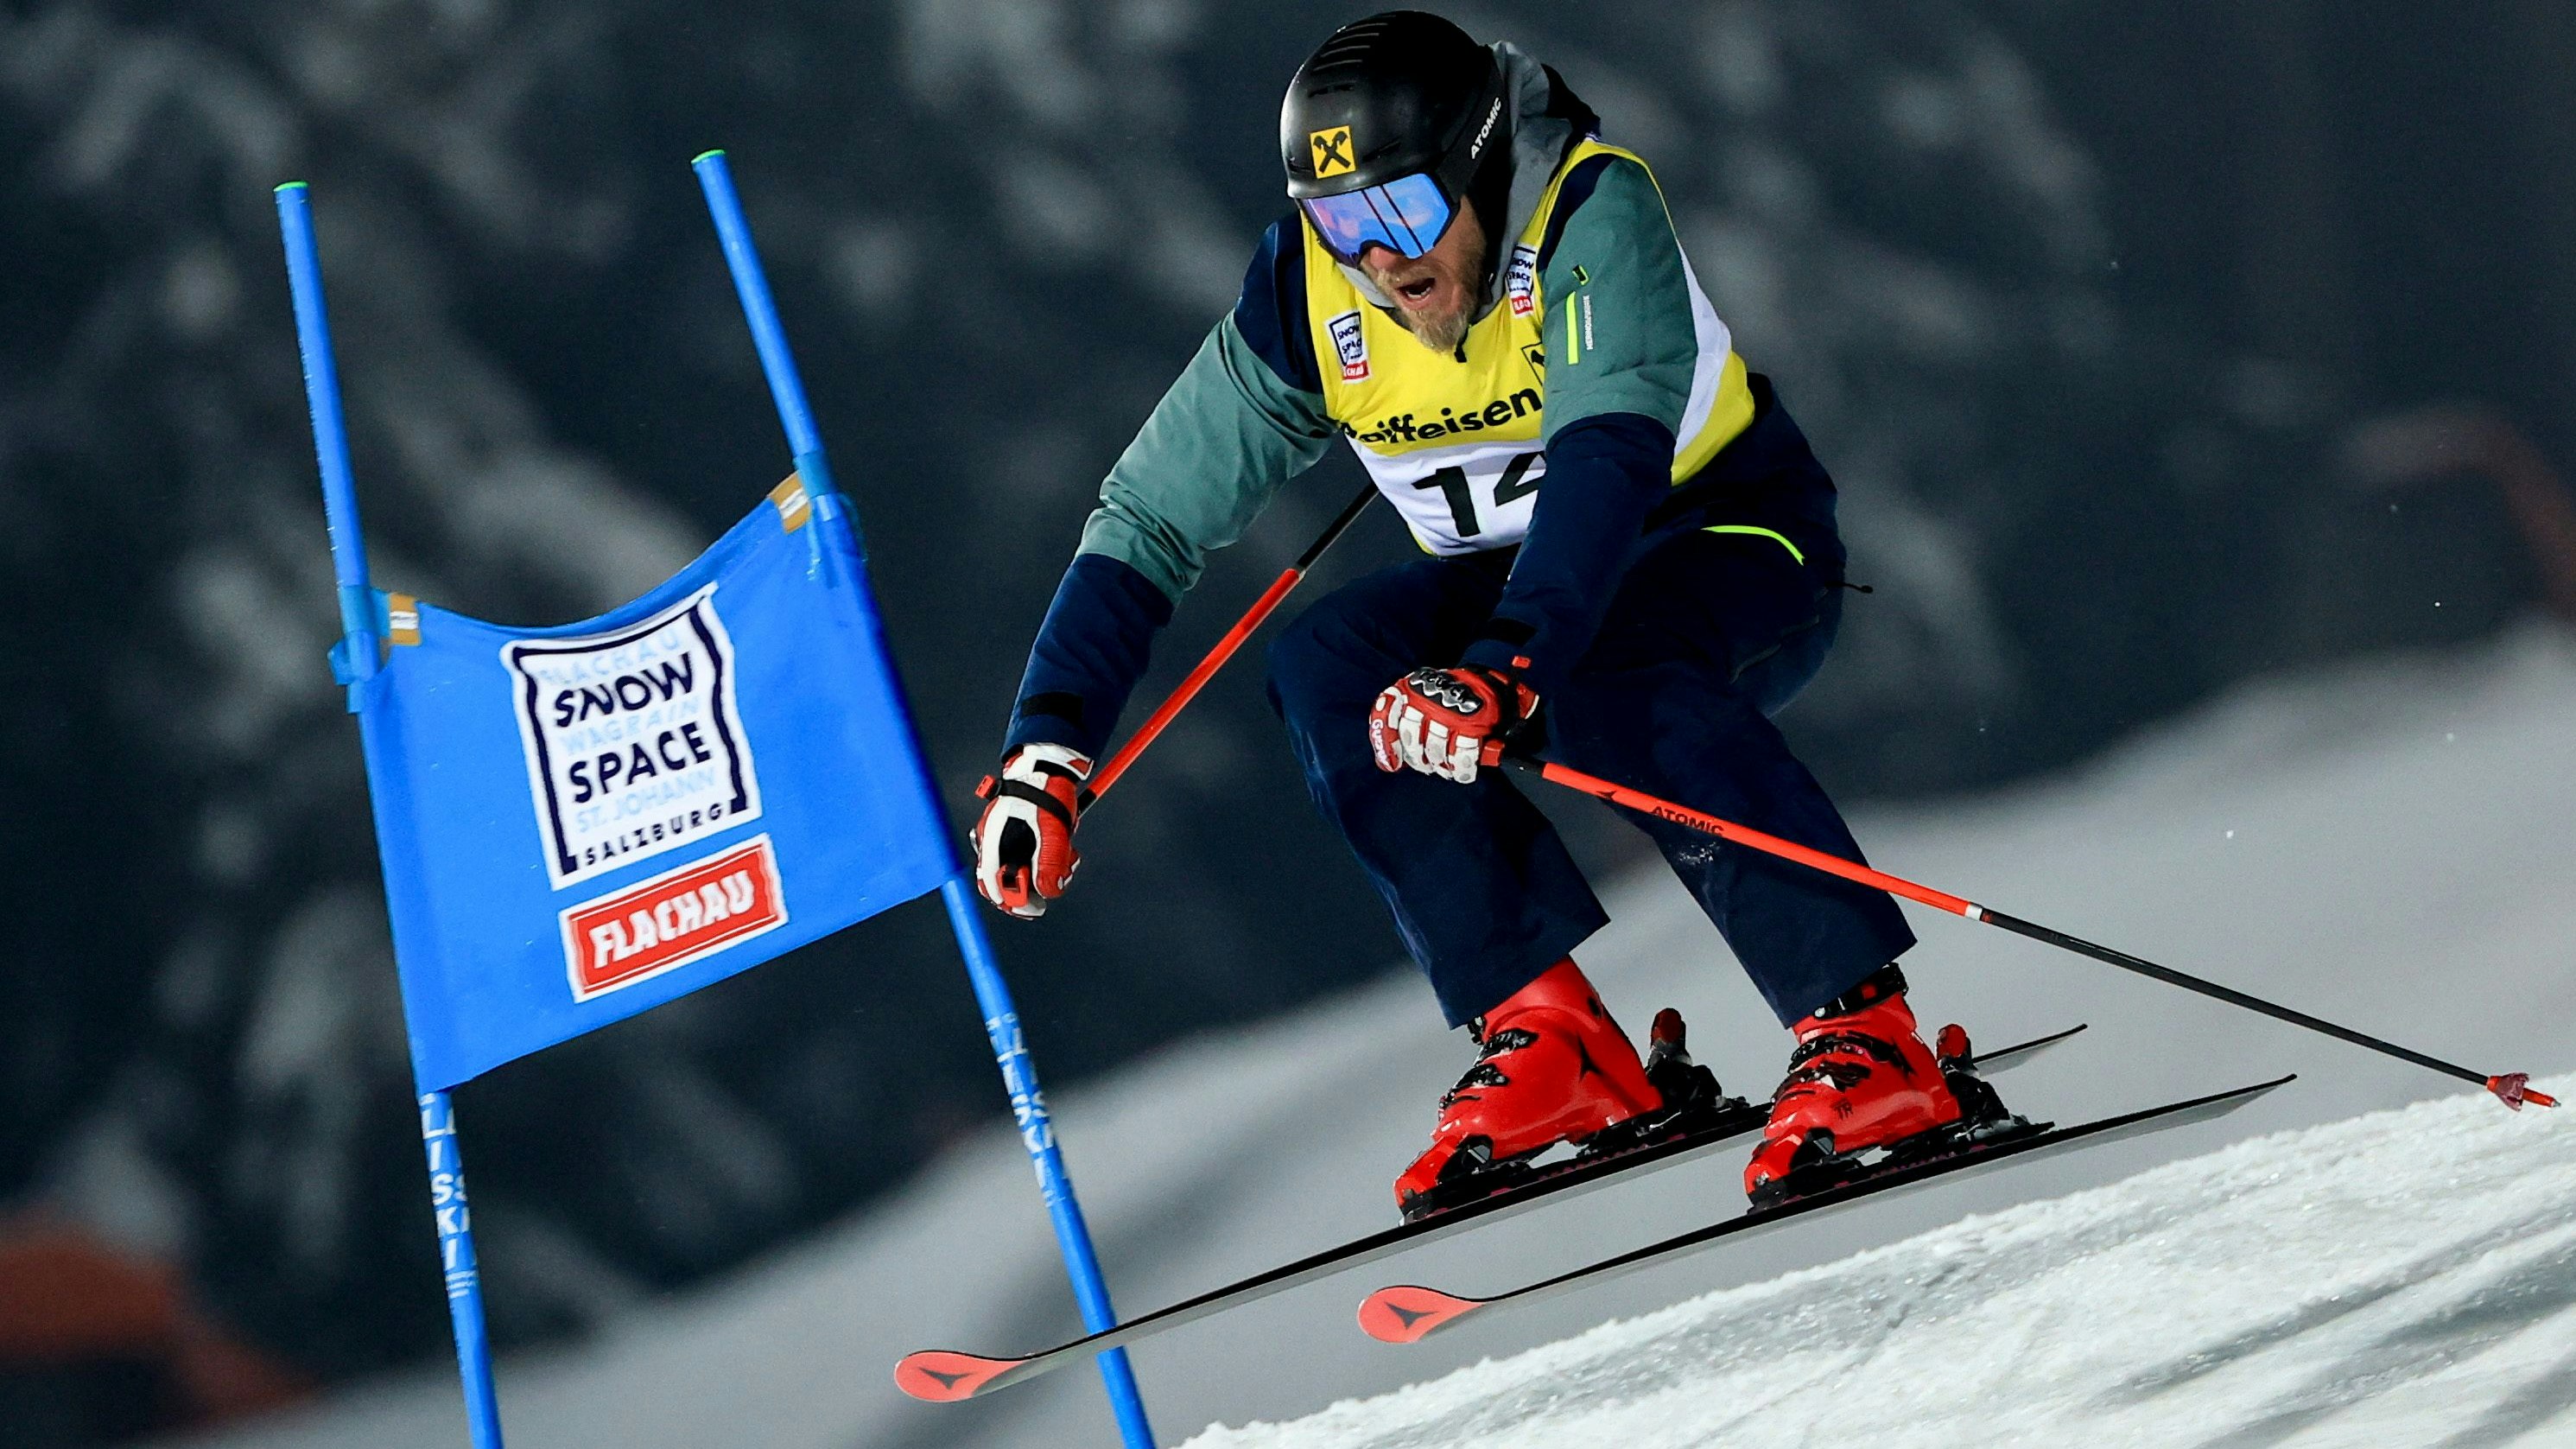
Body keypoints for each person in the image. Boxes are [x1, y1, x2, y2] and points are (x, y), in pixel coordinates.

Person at [970, 10, 1971, 1215]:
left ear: (1481, 164)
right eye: (1339, 223)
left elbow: (1604, 465)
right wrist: (1051, 742)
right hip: (1519, 596)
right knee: (1328, 663)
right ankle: (1552, 1038)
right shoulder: (1310, 294)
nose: (1379, 259)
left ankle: (1863, 1032)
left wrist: (1501, 667)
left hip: (1728, 540)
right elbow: (1150, 515)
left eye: (1398, 209)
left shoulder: (1591, 213)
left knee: (1612, 663)